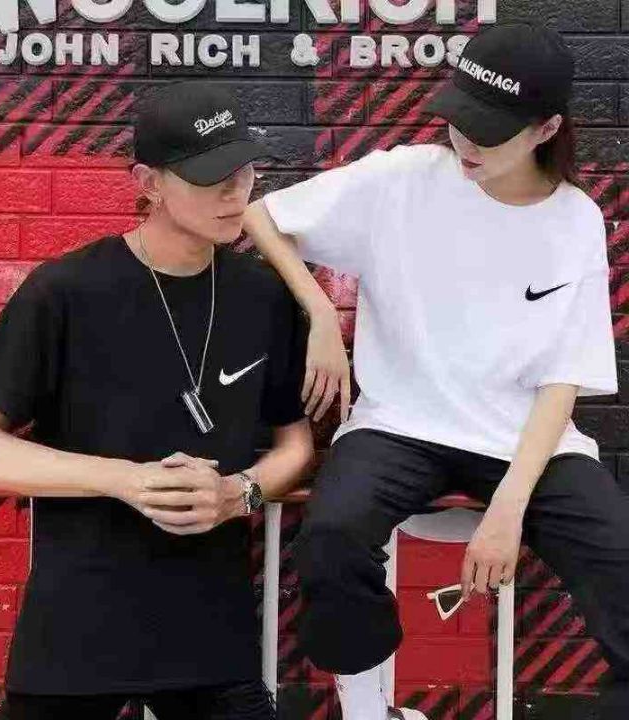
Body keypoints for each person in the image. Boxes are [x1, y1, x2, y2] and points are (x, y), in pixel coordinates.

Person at [243, 23, 629, 720]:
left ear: (546, 130)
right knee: (330, 538)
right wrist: (321, 310)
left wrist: (509, 507)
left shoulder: (574, 220)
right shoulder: (403, 179)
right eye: (459, 121)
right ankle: (370, 709)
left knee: (620, 562)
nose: (467, 143)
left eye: (491, 132)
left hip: (528, 441)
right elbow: (263, 216)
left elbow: (562, 378)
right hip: (399, 424)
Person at [0, 82, 313, 720]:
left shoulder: (263, 297)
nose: (236, 193)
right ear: (149, 183)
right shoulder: (66, 290)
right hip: (77, 623)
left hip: (209, 630)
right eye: (211, 177)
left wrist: (240, 494)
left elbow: (296, 444)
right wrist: (126, 480)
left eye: (244, 171)